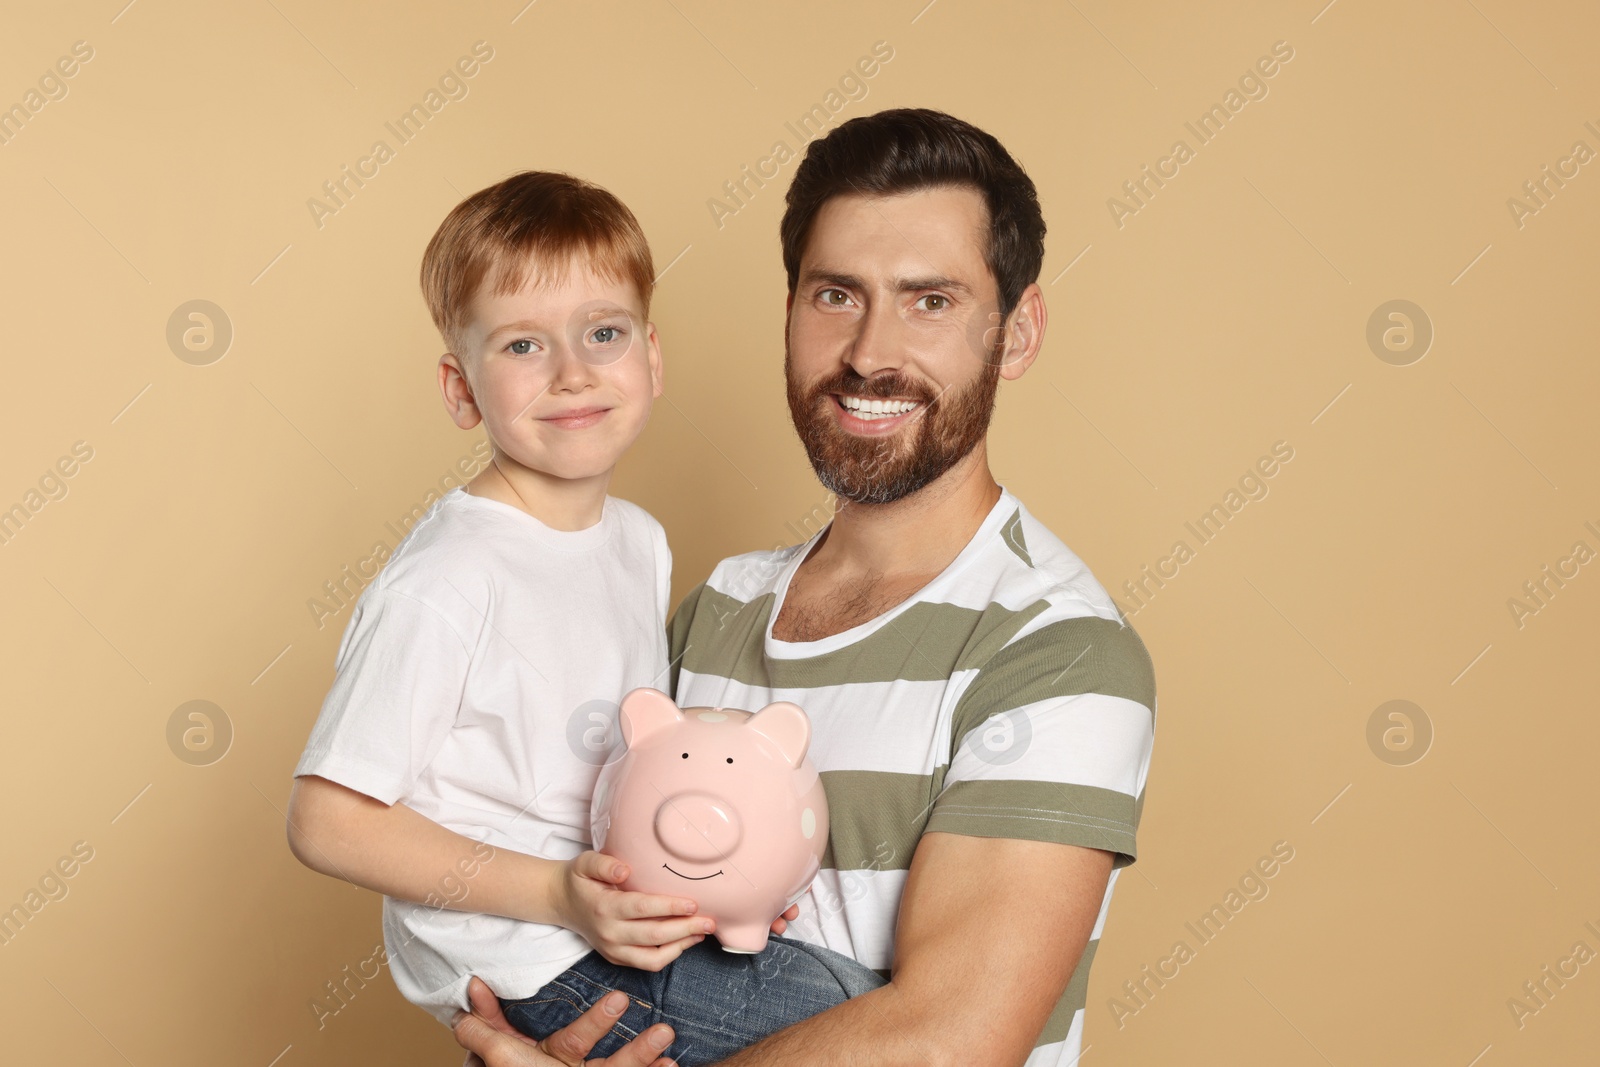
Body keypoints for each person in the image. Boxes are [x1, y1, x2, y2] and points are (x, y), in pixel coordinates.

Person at [455, 108, 1158, 1067]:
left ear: (1018, 331)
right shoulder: (716, 610)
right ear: (789, 310)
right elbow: (586, 910)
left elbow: (952, 1037)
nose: (871, 353)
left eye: (930, 301)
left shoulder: (1058, 651)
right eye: (836, 294)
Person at [286, 170, 754, 1036]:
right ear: (461, 388)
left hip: (609, 916)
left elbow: (623, 761)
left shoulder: (638, 541)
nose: (574, 373)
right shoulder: (450, 576)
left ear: (651, 358)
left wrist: (725, 876)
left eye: (603, 333)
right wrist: (558, 896)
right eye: (522, 347)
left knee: (842, 978)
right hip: (528, 955)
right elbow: (326, 819)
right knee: (854, 1023)